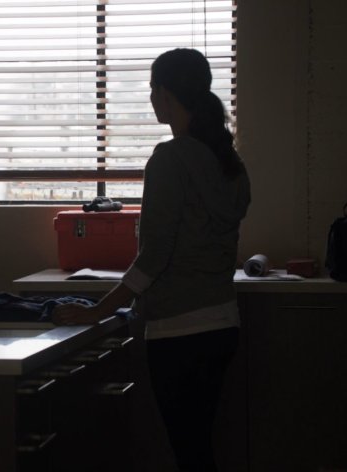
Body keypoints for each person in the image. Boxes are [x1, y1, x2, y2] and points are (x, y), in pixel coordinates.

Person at [53, 48, 251, 472]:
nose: (150, 98)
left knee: (188, 451)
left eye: (150, 89)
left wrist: (99, 310)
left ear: (163, 93)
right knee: (200, 448)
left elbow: (155, 255)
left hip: (177, 331)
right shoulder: (230, 163)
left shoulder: (170, 159)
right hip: (222, 325)